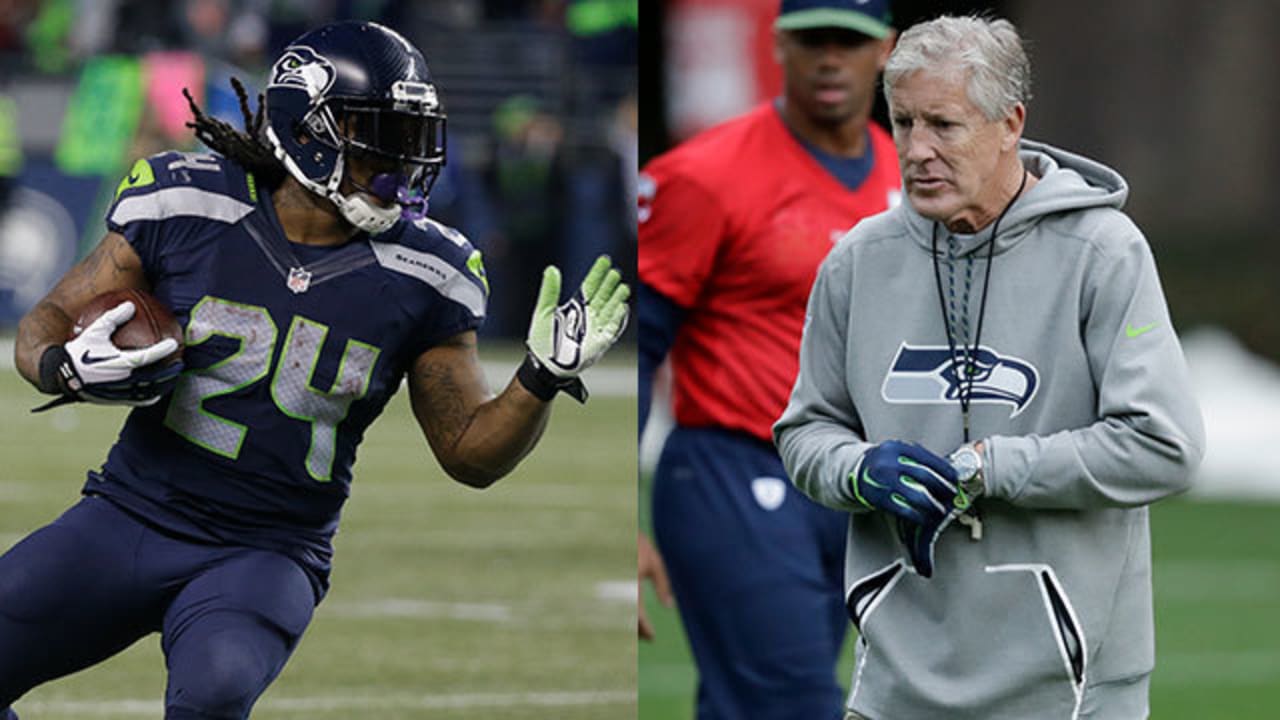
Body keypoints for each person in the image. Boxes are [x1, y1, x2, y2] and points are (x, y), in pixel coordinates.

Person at [2, 21, 628, 719]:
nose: (402, 160)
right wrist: (62, 365)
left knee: (213, 692)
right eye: (378, 132)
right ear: (307, 129)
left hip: (265, 552)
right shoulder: (188, 202)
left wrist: (538, 379)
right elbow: (47, 321)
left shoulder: (428, 271)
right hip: (128, 515)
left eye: (413, 136)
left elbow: (470, 454)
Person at [774, 15, 1204, 720]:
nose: (916, 151)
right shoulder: (857, 261)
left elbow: (1164, 446)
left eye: (943, 124)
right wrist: (858, 470)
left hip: (1072, 686)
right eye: (903, 121)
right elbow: (805, 432)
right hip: (894, 684)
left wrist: (989, 468)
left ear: (1011, 123)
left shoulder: (1104, 252)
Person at [638, 1, 899, 716]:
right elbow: (639, 342)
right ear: (779, 43)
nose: (830, 58)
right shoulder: (705, 174)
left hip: (859, 486)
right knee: (795, 703)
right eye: (814, 39)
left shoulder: (915, 178)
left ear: (886, 50)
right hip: (737, 470)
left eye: (850, 41)